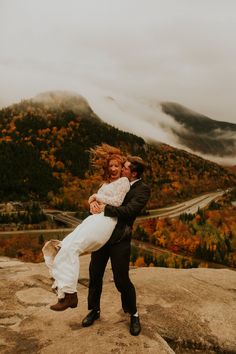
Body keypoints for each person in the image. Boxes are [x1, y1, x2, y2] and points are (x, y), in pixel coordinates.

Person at [45, 144, 130, 311]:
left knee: (73, 248)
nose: (113, 169)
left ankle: (70, 295)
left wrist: (95, 197)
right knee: (63, 247)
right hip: (94, 218)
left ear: (121, 168)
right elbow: (97, 204)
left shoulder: (123, 182)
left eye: (117, 166)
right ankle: (64, 294)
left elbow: (118, 202)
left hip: (106, 222)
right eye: (110, 166)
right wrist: (92, 204)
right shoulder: (105, 184)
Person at [82, 155, 150, 336]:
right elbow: (101, 197)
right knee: (95, 274)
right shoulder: (118, 182)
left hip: (120, 238)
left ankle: (133, 313)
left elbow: (129, 211)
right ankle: (94, 310)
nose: (121, 169)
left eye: (125, 168)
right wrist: (94, 204)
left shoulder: (143, 190)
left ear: (133, 172)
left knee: (121, 279)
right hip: (101, 237)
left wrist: (105, 207)